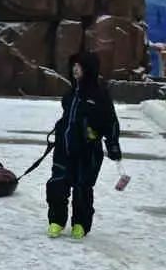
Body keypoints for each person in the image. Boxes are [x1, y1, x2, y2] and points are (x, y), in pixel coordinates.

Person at [46, 51, 122, 239]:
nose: (74, 69)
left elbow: (110, 121)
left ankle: (80, 224)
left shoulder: (99, 95)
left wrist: (112, 144)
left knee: (82, 189)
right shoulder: (71, 94)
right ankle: (56, 221)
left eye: (78, 66)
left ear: (88, 69)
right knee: (57, 185)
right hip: (64, 148)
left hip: (87, 152)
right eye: (73, 66)